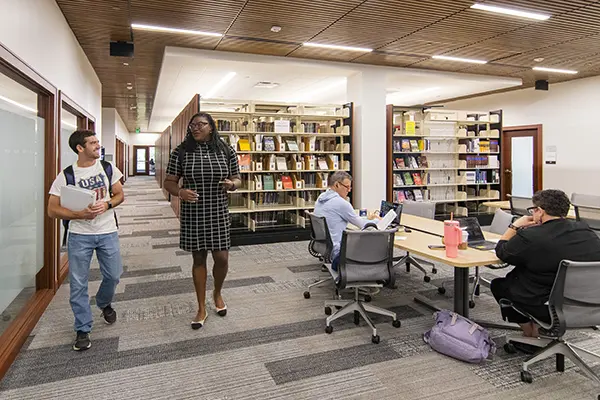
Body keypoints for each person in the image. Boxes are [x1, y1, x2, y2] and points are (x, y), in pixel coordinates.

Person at [47, 130, 124, 351]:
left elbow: (120, 194)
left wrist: (107, 204)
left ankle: (103, 302)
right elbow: (52, 210)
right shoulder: (66, 175)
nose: (98, 145)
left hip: (107, 230)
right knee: (78, 283)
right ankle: (82, 327)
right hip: (80, 235)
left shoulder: (108, 168)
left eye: (98, 141)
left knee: (114, 274)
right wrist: (80, 215)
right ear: (80, 148)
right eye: (92, 143)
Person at [163, 112, 241, 330]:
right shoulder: (181, 152)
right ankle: (200, 307)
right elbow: (168, 182)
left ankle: (217, 293)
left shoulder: (225, 150)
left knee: (222, 258)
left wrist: (232, 184)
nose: (195, 128)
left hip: (218, 210)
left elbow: (237, 178)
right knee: (199, 259)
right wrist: (179, 192)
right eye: (192, 125)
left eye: (200, 125)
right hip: (194, 211)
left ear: (211, 127)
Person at [491, 189, 600, 337]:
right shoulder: (585, 230)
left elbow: (502, 253)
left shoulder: (531, 236)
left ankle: (530, 334)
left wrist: (515, 227)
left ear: (540, 211)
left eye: (533, 210)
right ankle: (539, 330)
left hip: (549, 308)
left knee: (500, 285)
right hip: (589, 305)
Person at [313, 171, 377, 271]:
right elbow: (363, 225)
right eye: (347, 187)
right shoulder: (341, 203)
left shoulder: (321, 198)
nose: (349, 190)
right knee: (374, 240)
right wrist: (381, 222)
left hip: (323, 246)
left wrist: (366, 219)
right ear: (337, 185)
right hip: (338, 251)